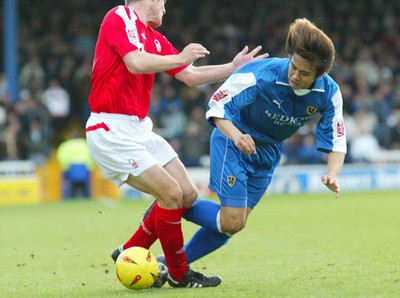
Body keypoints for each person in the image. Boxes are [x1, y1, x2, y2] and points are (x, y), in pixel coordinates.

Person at [143, 17, 347, 286]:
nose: (295, 75)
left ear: (319, 74)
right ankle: (168, 208)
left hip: (269, 152)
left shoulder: (329, 92)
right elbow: (216, 107)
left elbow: (337, 139)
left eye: (305, 73)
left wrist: (333, 173)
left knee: (234, 224)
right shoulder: (262, 74)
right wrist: (238, 136)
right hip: (232, 140)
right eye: (293, 66)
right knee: (231, 219)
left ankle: (169, 264)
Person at [85, 0, 268, 289]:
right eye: (164, 2)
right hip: (110, 128)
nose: (165, 9)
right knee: (169, 193)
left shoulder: (154, 38)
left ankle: (130, 249)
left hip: (138, 127)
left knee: (185, 194)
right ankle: (179, 273)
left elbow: (190, 76)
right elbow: (135, 62)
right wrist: (181, 57)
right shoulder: (119, 16)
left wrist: (233, 68)